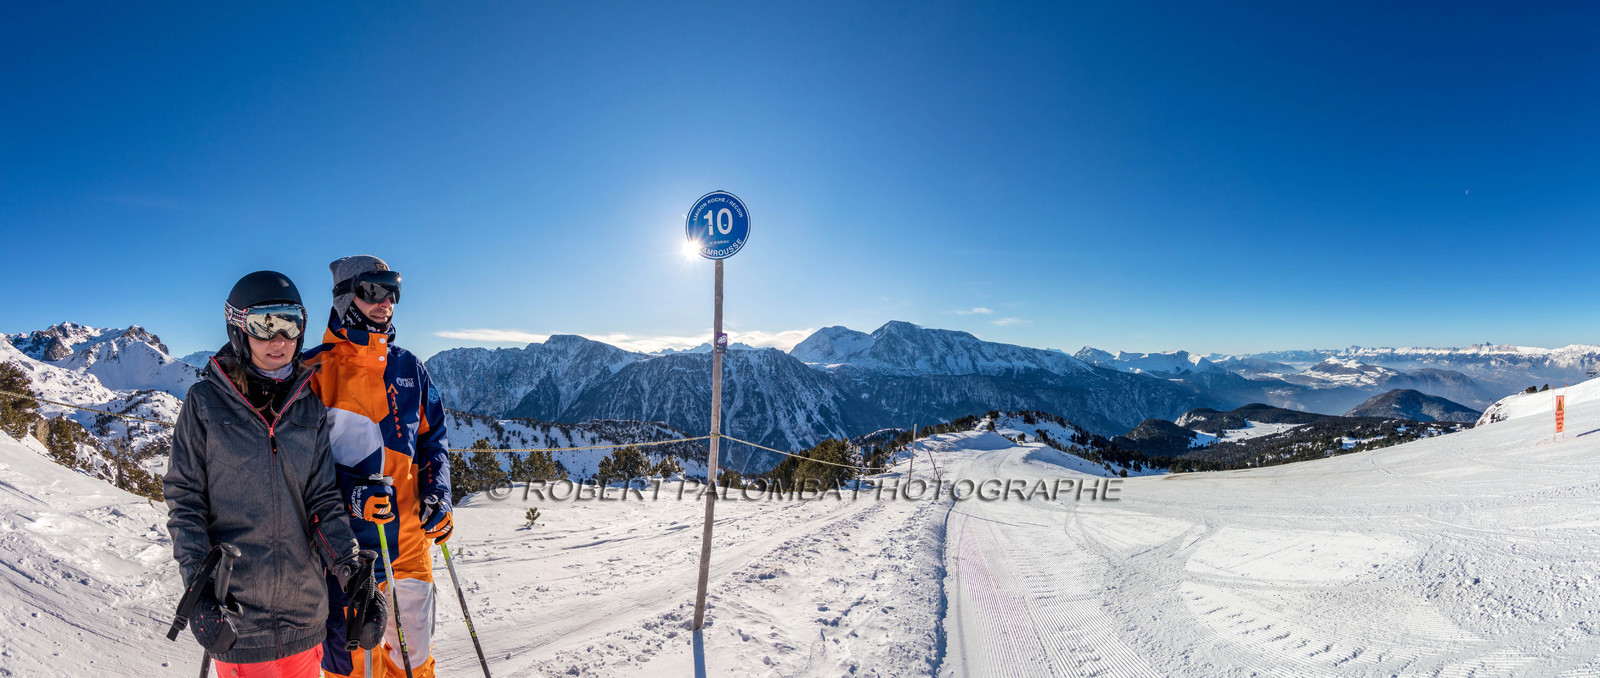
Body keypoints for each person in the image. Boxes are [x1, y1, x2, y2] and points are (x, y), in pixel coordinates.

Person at [165, 270, 387, 675]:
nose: (279, 340)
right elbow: (185, 503)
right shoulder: (205, 406)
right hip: (237, 619)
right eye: (263, 326)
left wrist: (352, 570)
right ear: (238, 330)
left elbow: (322, 502)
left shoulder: (308, 409)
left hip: (305, 615)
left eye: (289, 324)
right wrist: (198, 591)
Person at [306, 256, 453, 678]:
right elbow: (296, 466)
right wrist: (352, 493)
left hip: (409, 544)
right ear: (344, 297)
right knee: (353, 668)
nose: (386, 300)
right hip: (346, 556)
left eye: (394, 290)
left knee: (414, 663)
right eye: (373, 289)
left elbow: (432, 440)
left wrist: (438, 495)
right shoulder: (315, 374)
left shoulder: (410, 369)